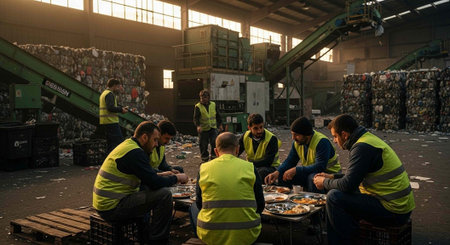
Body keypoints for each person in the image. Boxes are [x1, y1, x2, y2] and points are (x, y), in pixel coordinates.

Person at [313, 114, 415, 245]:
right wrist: (331, 177)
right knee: (342, 194)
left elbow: (348, 185)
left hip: (394, 211)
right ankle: (352, 235)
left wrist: (324, 182)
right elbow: (356, 176)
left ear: (344, 135)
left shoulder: (362, 148)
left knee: (334, 197)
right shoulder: (367, 140)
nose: (334, 140)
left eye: (335, 136)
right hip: (398, 205)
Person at [93, 121, 189, 244]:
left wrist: (165, 173)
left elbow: (147, 174)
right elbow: (154, 182)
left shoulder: (129, 146)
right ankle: (158, 240)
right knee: (164, 195)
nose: (156, 144)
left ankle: (146, 233)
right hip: (112, 207)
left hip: (109, 202)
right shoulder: (135, 153)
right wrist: (177, 178)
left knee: (152, 191)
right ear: (144, 137)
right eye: (154, 140)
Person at [190, 132, 264, 245]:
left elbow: (200, 204)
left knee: (193, 207)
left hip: (211, 236)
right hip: (248, 235)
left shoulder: (204, 168)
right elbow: (260, 205)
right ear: (238, 149)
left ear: (216, 151)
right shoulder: (250, 167)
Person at [265, 117, 341, 193]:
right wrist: (277, 172)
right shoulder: (297, 143)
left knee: (313, 178)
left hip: (330, 174)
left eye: (296, 135)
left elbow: (320, 167)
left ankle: (317, 202)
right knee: (284, 175)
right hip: (311, 172)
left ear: (307, 135)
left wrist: (297, 169)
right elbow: (290, 161)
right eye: (292, 134)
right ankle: (285, 199)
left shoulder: (322, 142)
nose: (293, 138)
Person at [238, 113, 280, 180]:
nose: (259, 131)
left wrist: (248, 165)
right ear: (249, 128)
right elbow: (236, 152)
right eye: (255, 128)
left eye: (261, 127)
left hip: (271, 167)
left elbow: (268, 162)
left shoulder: (271, 139)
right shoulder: (245, 136)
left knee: (261, 172)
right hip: (253, 166)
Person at [99, 78, 128, 153]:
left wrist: (121, 108)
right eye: (118, 87)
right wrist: (121, 110)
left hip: (105, 122)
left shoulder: (104, 93)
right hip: (111, 122)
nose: (118, 89)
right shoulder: (109, 94)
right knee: (119, 142)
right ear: (114, 86)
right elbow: (110, 108)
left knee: (111, 144)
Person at [193, 89, 223, 162]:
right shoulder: (198, 106)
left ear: (208, 97)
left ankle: (214, 158)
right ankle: (205, 159)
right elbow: (196, 118)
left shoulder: (213, 105)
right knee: (203, 145)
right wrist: (198, 126)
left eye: (204, 97)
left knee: (214, 142)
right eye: (201, 98)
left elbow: (217, 115)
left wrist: (220, 125)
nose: (202, 99)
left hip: (213, 128)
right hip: (203, 129)